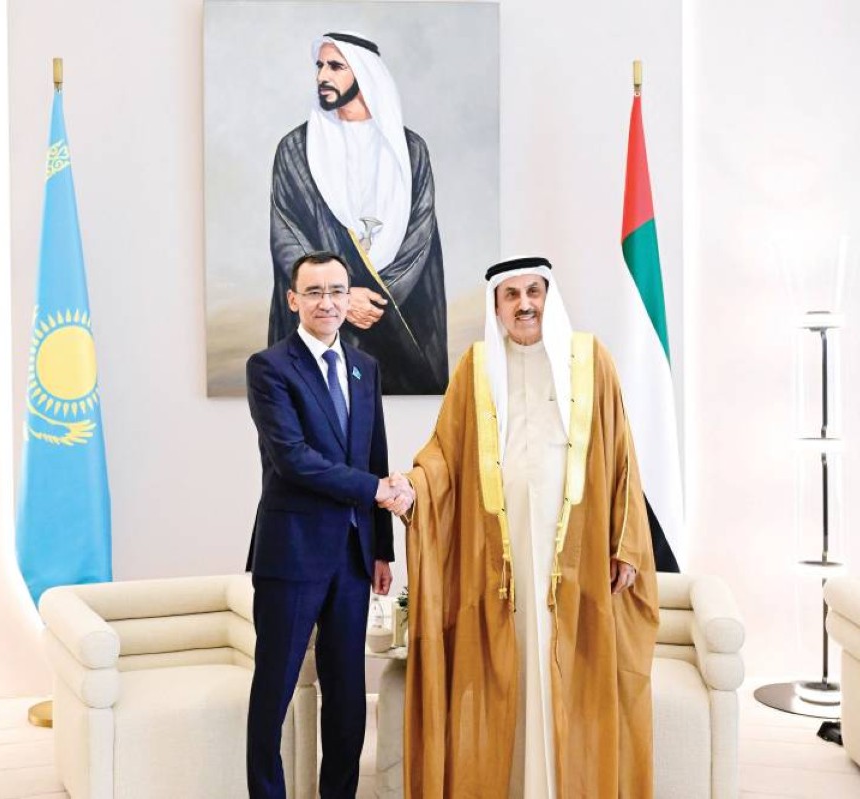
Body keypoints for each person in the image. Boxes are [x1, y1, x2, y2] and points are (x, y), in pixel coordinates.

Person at [384, 257, 660, 797]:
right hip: (499, 563)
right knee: (506, 671)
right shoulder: (475, 367)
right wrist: (414, 488)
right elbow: (444, 454)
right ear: (496, 306)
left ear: (549, 296)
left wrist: (625, 544)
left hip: (574, 557)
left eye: (534, 291)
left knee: (569, 669)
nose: (524, 304)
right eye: (511, 295)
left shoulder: (591, 360)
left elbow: (622, 455)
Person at [245, 250, 411, 798]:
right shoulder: (269, 367)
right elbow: (293, 459)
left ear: (349, 297)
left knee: (346, 697)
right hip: (291, 554)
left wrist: (382, 548)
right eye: (314, 292)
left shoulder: (365, 368)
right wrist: (375, 490)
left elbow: (374, 454)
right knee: (274, 691)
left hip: (353, 557)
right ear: (294, 300)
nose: (327, 302)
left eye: (336, 291)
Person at [268, 31, 448, 395]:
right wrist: (342, 299)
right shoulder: (295, 149)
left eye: (335, 66)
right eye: (320, 66)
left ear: (366, 74)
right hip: (318, 317)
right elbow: (287, 235)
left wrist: (375, 300)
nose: (322, 75)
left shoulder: (411, 150)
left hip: (393, 314)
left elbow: (419, 239)